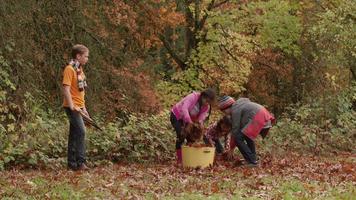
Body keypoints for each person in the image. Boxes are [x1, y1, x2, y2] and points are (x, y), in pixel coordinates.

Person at [218, 96, 275, 167]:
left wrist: (231, 148)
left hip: (259, 118)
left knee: (238, 138)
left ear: (227, 107)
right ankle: (253, 159)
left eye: (224, 111)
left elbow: (235, 129)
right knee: (247, 136)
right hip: (264, 117)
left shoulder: (235, 109)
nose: (225, 113)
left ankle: (252, 162)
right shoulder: (239, 105)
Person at [62, 44, 90, 171]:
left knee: (74, 134)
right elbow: (66, 89)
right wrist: (72, 106)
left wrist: (84, 108)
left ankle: (72, 164)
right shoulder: (70, 69)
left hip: (79, 106)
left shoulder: (79, 70)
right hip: (71, 107)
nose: (87, 59)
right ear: (78, 56)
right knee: (81, 131)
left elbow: (80, 92)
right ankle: (81, 162)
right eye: (86, 56)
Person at [170, 89, 216, 163]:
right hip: (177, 115)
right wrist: (190, 122)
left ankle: (190, 159)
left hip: (188, 120)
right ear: (203, 96)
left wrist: (200, 125)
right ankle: (180, 159)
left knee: (191, 139)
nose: (207, 103)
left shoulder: (206, 107)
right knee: (181, 135)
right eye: (206, 101)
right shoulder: (193, 97)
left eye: (209, 102)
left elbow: (201, 118)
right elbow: (184, 109)